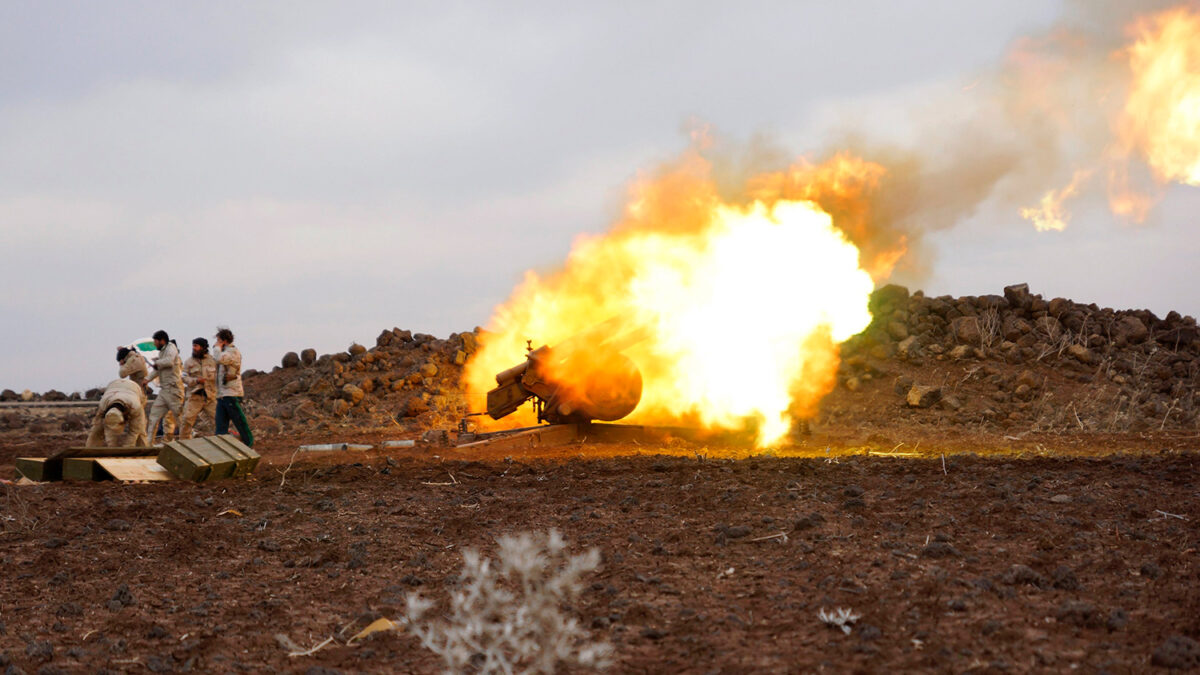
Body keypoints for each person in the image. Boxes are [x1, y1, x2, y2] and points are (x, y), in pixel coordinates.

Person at [213, 326, 253, 446]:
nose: (216, 343)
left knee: (239, 421)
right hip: (223, 394)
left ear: (224, 341)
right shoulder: (227, 352)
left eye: (219, 340)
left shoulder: (232, 352)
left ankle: (248, 443)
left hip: (231, 393)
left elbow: (219, 359)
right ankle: (221, 447)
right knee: (221, 424)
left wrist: (217, 348)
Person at [145, 329, 184, 442]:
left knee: (180, 418)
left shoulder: (171, 348)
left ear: (162, 340)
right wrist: (146, 379)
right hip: (164, 390)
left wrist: (157, 363)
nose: (155, 344)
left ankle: (188, 440)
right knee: (154, 416)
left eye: (156, 341)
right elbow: (159, 369)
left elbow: (169, 361)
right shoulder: (162, 352)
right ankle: (148, 444)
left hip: (174, 390)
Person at [85, 379, 149, 448]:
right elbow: (105, 429)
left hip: (134, 388)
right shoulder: (103, 405)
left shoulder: (135, 406)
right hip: (113, 386)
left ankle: (143, 452)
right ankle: (90, 450)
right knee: (96, 429)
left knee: (140, 430)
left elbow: (134, 432)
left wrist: (127, 448)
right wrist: (112, 448)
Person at [179, 337, 217, 439]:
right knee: (187, 420)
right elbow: (183, 377)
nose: (193, 348)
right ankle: (183, 445)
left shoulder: (213, 361)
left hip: (210, 397)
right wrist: (195, 381)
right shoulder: (188, 362)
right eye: (193, 346)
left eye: (196, 346)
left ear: (203, 347)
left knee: (217, 420)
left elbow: (219, 377)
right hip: (194, 397)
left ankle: (222, 443)